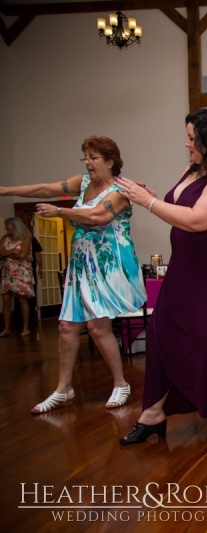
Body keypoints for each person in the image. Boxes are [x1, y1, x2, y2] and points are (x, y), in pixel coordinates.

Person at [116, 109, 207, 445]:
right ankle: (153, 413)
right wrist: (150, 195)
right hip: (187, 266)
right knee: (160, 330)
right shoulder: (194, 168)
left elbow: (198, 220)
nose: (186, 143)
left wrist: (148, 202)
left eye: (191, 137)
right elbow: (179, 206)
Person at [0, 136, 145, 413]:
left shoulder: (121, 189)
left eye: (93, 157)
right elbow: (45, 188)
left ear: (110, 161)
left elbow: (97, 217)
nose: (88, 163)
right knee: (66, 327)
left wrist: (59, 211)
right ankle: (63, 389)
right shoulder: (83, 183)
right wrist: (5, 190)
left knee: (97, 327)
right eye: (85, 158)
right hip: (81, 264)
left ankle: (120, 383)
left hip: (107, 263)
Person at [0, 217, 35, 337]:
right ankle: (7, 328)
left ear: (14, 226)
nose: (5, 228)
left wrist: (7, 253)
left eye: (7, 225)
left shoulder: (26, 238)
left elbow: (22, 254)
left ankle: (26, 328)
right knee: (6, 300)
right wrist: (13, 251)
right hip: (7, 272)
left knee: (22, 300)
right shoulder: (4, 238)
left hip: (22, 272)